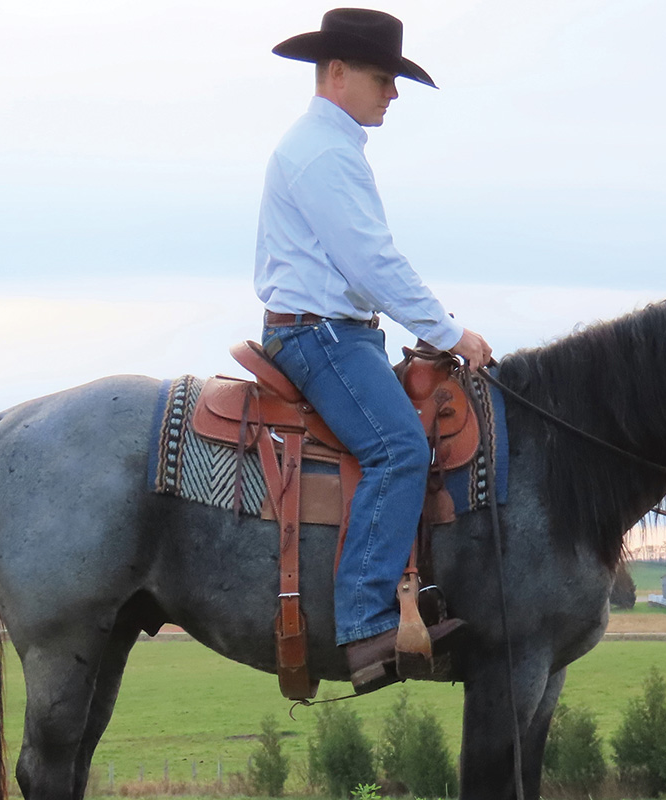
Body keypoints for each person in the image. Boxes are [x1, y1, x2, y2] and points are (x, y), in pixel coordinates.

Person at [255, 8, 493, 693]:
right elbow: (371, 264)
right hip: (322, 334)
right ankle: (365, 626)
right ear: (336, 72)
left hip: (335, 328)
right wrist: (451, 334)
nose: (392, 94)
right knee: (399, 449)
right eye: (383, 78)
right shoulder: (323, 154)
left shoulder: (330, 147)